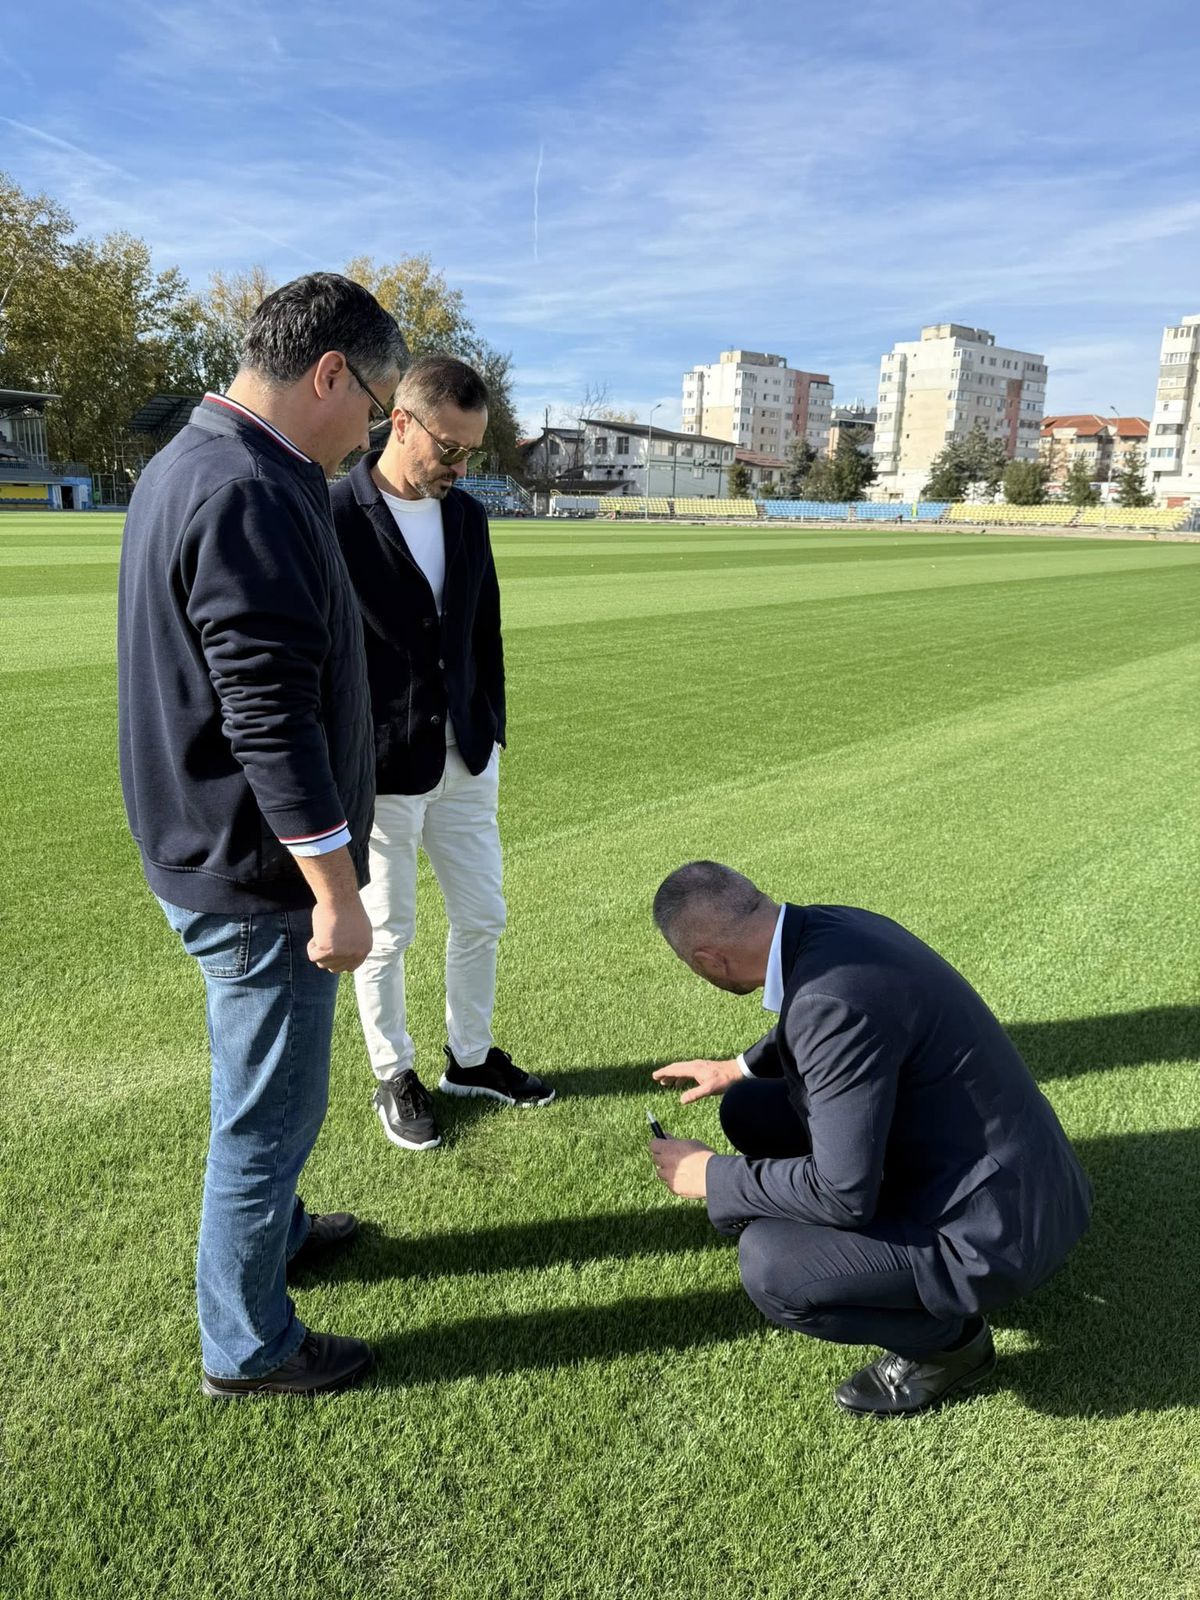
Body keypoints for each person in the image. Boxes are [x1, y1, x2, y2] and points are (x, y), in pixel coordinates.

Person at [117, 272, 407, 1398]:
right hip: (253, 872)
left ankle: (277, 1233)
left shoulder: (198, 456)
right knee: (267, 1114)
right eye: (377, 400)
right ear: (330, 372)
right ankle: (248, 1346)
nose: (377, 426)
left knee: (265, 1091)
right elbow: (266, 712)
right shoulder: (246, 484)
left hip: (209, 847)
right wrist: (335, 892)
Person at [648, 862, 1092, 1416]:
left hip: (999, 1230)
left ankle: (953, 1349)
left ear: (708, 961)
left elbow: (842, 1192)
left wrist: (711, 1176)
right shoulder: (833, 927)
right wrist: (736, 1067)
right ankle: (881, 1250)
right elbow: (826, 1015)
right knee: (749, 1106)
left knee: (772, 1266)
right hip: (1017, 1170)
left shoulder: (825, 1003)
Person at [330, 355, 553, 1153]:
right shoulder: (334, 514)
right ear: (403, 422)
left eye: (473, 453)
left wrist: (489, 726)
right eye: (449, 450)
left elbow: (481, 630)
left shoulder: (468, 518)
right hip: (384, 764)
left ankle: (470, 1057)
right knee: (386, 931)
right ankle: (395, 1072)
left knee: (483, 916)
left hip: (467, 754)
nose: (461, 468)